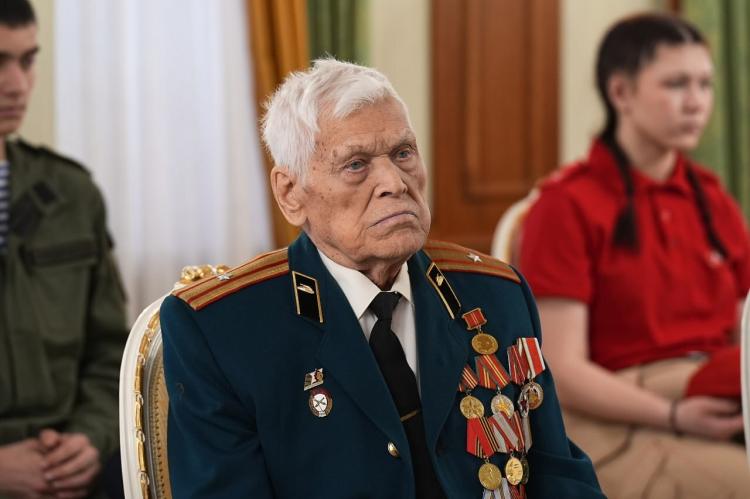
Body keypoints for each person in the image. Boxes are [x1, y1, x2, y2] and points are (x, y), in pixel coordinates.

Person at [160, 58, 604, 499]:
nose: (395, 182)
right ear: (290, 193)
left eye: (403, 153)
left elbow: (558, 473)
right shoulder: (223, 330)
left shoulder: (495, 293)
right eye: (356, 164)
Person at [519, 13, 750, 498]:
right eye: (676, 84)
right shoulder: (566, 205)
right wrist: (674, 414)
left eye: (705, 84)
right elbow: (562, 367)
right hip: (617, 418)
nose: (697, 102)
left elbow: (741, 333)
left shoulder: (714, 200)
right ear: (620, 93)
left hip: (714, 392)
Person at [0, 1, 128, 498]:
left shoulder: (72, 194)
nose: (17, 84)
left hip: (70, 465)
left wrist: (90, 438)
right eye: (0, 62)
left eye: (27, 60)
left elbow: (110, 350)